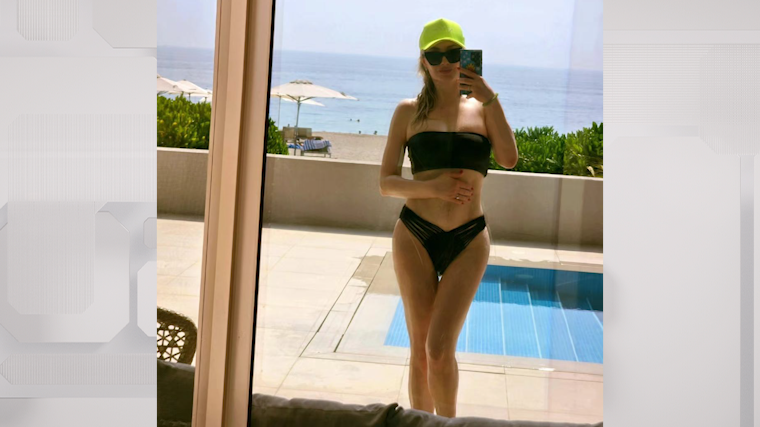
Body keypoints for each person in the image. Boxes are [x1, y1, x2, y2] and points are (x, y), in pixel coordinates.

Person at [379, 18, 518, 418]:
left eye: (452, 53)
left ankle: (448, 424)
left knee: (439, 349)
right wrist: (435, 189)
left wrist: (491, 99)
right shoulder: (407, 112)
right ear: (423, 61)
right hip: (415, 234)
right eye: (434, 55)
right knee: (420, 352)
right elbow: (386, 183)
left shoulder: (482, 110)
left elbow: (509, 158)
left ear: (464, 57)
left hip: (468, 237)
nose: (444, 62)